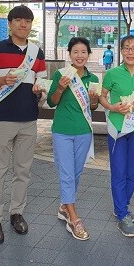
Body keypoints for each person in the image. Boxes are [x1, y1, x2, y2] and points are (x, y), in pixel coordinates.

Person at [0, 5, 47, 245]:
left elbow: (40, 83)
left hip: (29, 119)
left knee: (23, 170)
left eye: (27, 21)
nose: (23, 24)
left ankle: (16, 212)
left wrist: (40, 91)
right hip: (2, 118)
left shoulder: (36, 52)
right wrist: (2, 79)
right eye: (18, 20)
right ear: (10, 24)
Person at [99, 35, 134, 237]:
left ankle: (121, 205)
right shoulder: (112, 73)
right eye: (126, 48)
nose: (130, 52)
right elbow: (102, 96)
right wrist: (113, 107)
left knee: (132, 173)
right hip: (118, 130)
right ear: (121, 51)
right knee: (118, 171)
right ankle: (122, 213)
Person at [47, 37, 100, 241]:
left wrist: (94, 101)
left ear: (88, 54)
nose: (80, 55)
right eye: (75, 52)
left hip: (84, 132)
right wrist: (60, 88)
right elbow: (52, 102)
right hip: (62, 131)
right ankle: (74, 218)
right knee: (67, 173)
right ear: (69, 54)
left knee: (76, 173)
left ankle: (64, 207)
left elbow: (92, 107)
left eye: (83, 52)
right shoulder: (61, 74)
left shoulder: (93, 78)